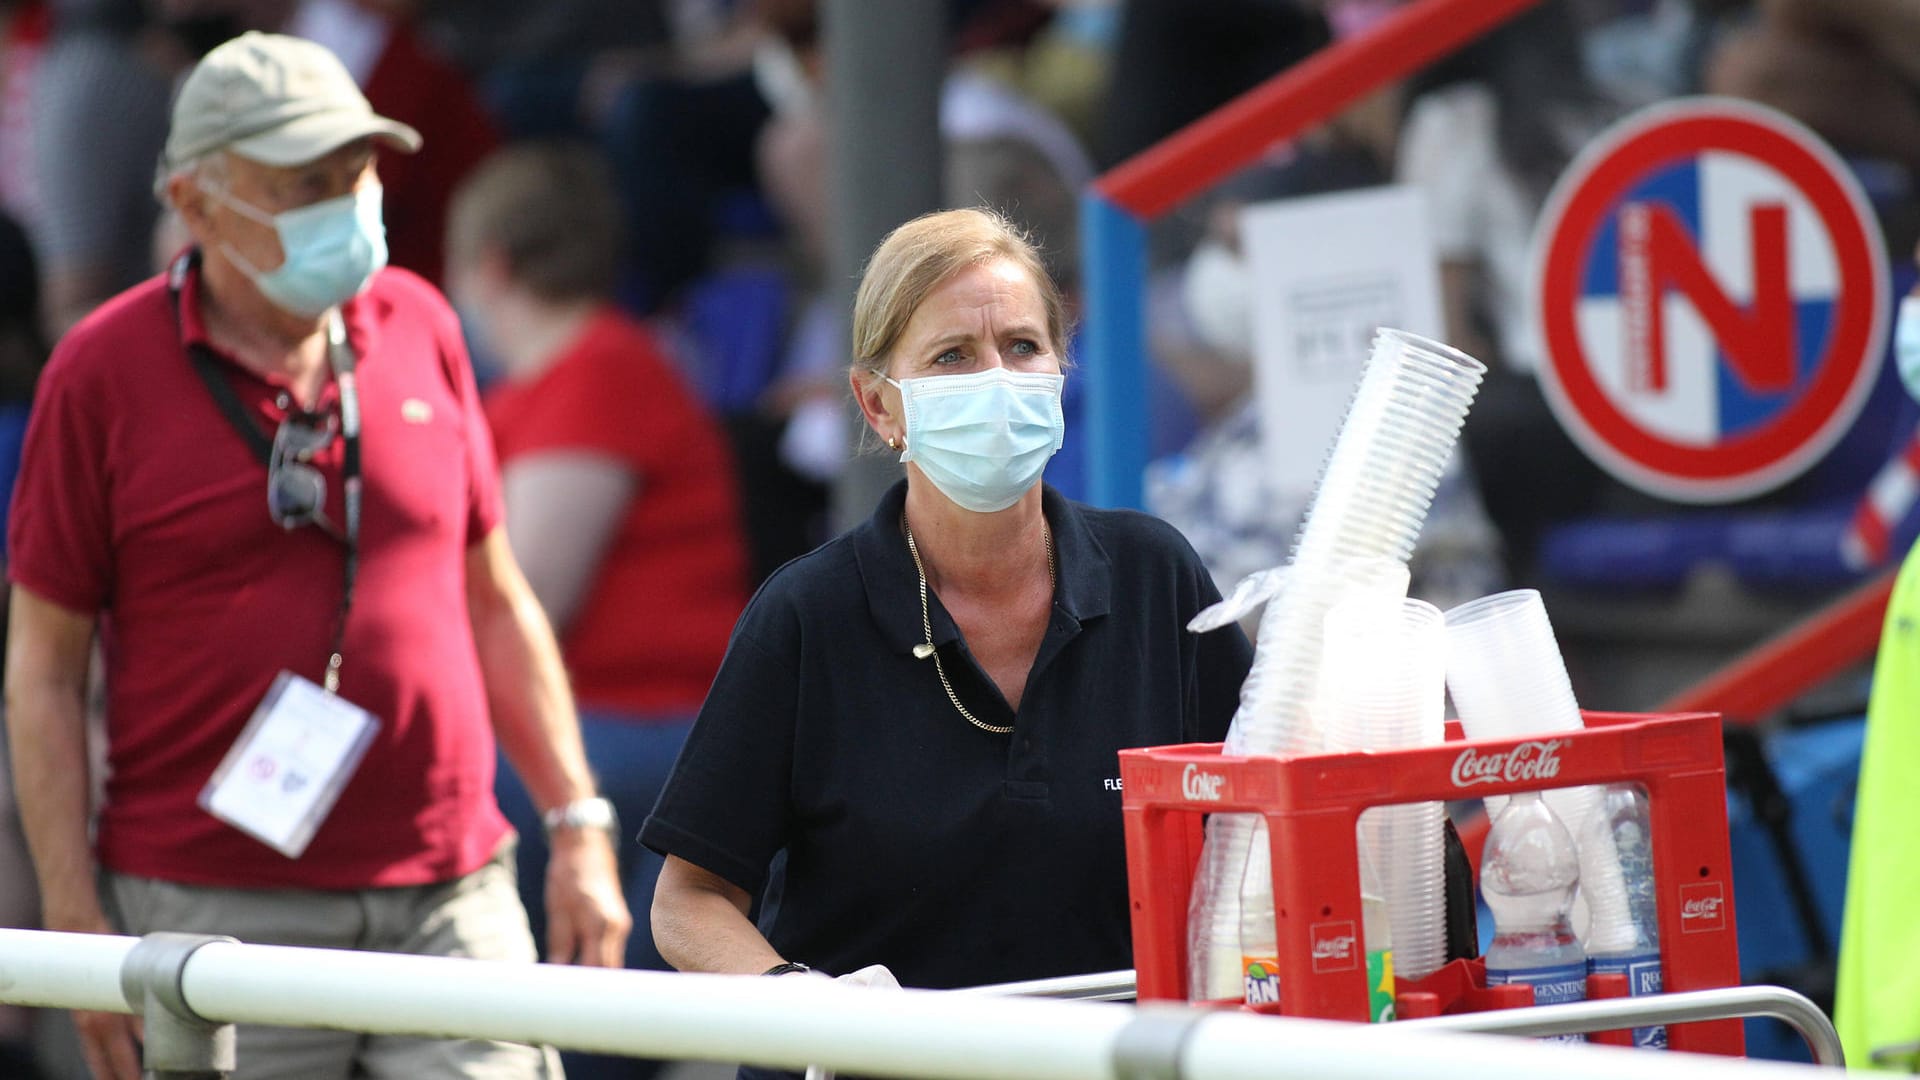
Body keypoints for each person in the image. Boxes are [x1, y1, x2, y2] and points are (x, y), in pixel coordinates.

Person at [5, 32, 626, 1080]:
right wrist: (73, 921)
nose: (347, 203)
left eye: (357, 172)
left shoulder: (421, 321)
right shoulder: (101, 372)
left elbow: (495, 599)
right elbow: (44, 671)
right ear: (197, 206)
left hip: (451, 888)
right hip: (213, 909)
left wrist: (577, 822)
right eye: (305, 183)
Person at [641, 208, 1254, 1008]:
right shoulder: (808, 616)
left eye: (1023, 347)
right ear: (878, 406)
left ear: (1062, 370)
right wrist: (805, 1002)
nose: (996, 379)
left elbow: (1258, 829)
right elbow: (688, 901)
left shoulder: (1152, 577)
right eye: (953, 356)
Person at [448, 142, 752, 1080]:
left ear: (491, 262)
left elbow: (527, 600)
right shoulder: (544, 385)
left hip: (654, 735)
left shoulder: (600, 369)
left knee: (430, 799)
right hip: (609, 730)